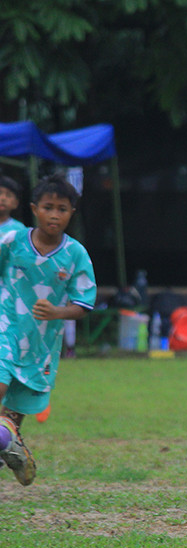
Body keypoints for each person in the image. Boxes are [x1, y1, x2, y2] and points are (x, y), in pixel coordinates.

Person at [0, 175, 96, 485]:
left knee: (12, 418)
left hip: (40, 346)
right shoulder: (12, 242)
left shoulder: (76, 254)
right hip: (4, 329)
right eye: (48, 207)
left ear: (72, 213)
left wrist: (58, 311)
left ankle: (11, 446)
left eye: (62, 209)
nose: (54, 215)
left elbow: (83, 304)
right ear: (34, 209)